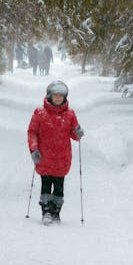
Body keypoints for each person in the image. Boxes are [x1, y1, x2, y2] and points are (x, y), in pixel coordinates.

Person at [27, 80, 84, 224]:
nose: (58, 98)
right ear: (49, 96)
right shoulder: (40, 113)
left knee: (59, 186)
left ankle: (56, 212)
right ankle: (46, 212)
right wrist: (34, 149)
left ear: (65, 97)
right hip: (44, 156)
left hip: (62, 157)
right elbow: (32, 132)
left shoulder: (70, 114)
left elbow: (74, 135)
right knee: (46, 184)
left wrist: (78, 132)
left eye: (61, 96)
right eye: (55, 95)